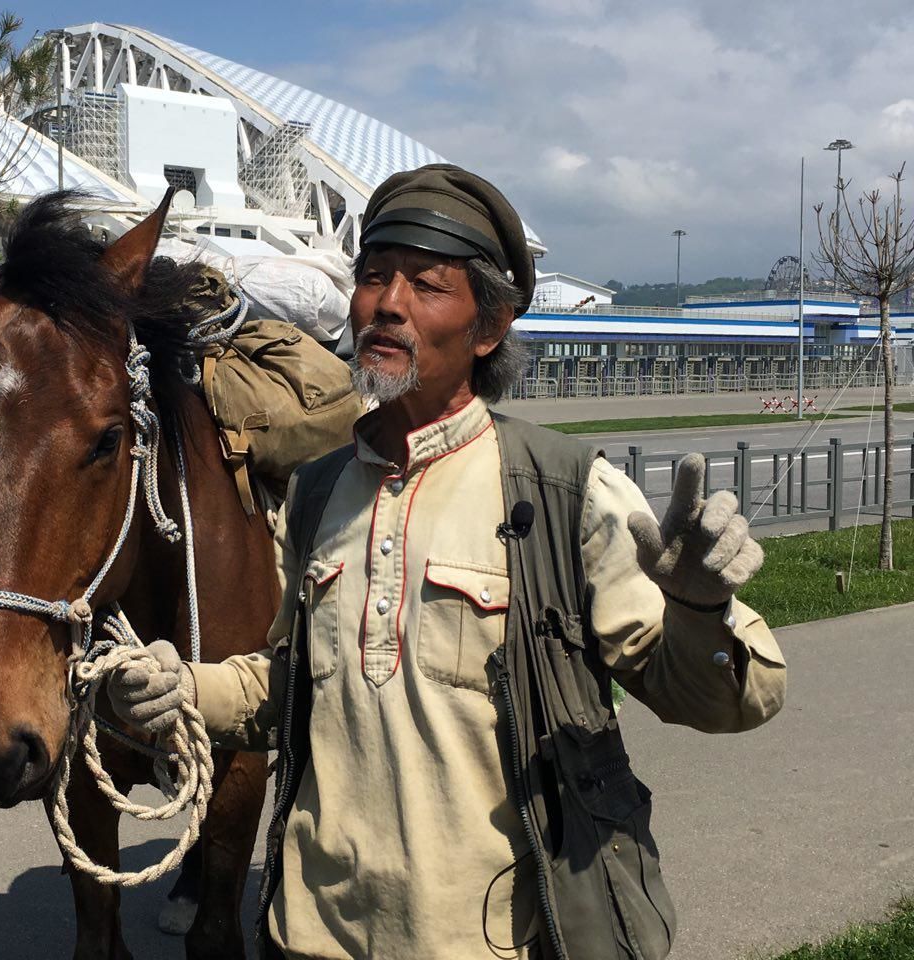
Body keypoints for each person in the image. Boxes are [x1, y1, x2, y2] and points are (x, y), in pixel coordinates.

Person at [106, 164, 787, 960]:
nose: (386, 303)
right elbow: (288, 687)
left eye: (426, 285)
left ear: (488, 327)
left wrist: (699, 607)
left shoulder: (566, 490)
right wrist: (182, 686)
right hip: (311, 936)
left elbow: (736, 700)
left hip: (488, 942)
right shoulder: (320, 495)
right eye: (370, 278)